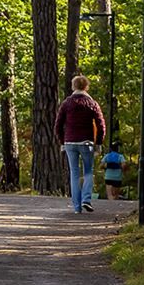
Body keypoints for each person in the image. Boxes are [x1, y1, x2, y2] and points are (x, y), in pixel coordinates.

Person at [54, 74, 108, 214]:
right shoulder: (92, 103)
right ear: (86, 87)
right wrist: (99, 142)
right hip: (86, 142)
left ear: (73, 86)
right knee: (88, 171)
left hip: (70, 142)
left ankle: (77, 207)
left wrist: (62, 141)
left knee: (74, 173)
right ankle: (86, 199)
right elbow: (101, 124)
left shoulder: (66, 103)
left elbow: (58, 125)